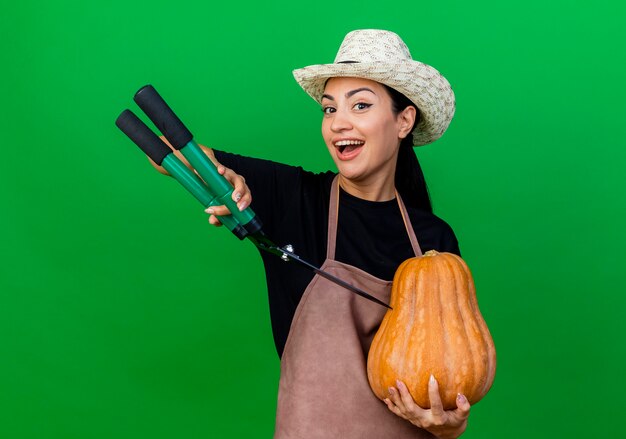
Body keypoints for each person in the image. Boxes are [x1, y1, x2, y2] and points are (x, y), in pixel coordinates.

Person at [154, 29, 470, 439]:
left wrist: (449, 425)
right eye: (329, 109)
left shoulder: (435, 242)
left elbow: (451, 373)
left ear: (403, 120)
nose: (339, 124)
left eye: (360, 105)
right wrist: (224, 177)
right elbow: (167, 153)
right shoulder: (290, 198)